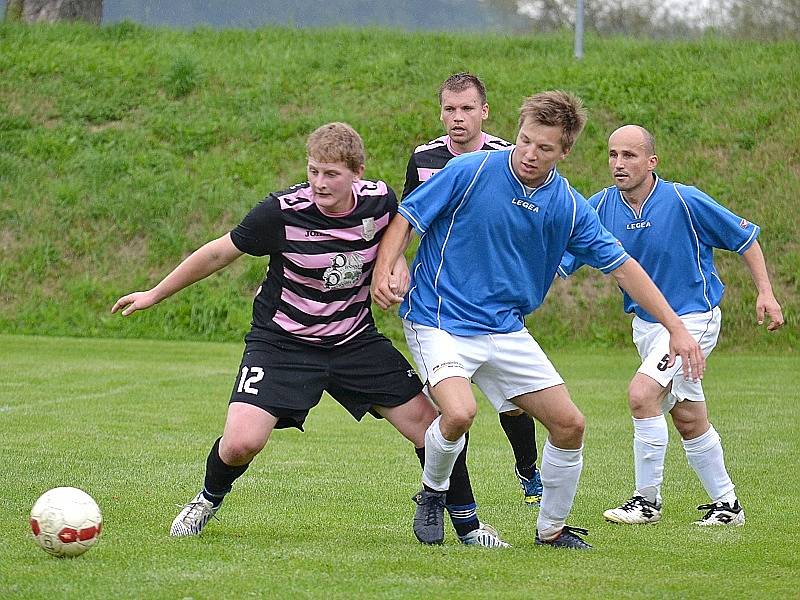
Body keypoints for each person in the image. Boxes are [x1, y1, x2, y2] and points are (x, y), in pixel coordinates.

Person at [111, 122, 508, 548]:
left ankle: (469, 527)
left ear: (357, 172)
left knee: (433, 426)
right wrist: (155, 293)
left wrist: (394, 270)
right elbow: (219, 252)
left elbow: (396, 240)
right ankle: (207, 499)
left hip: (353, 340)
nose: (319, 183)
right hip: (282, 342)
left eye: (331, 174)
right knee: (241, 443)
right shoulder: (280, 212)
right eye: (314, 171)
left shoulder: (379, 201)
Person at [371, 92, 705, 550]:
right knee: (460, 411)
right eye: (525, 141)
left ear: (564, 151)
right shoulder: (471, 172)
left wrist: (676, 326)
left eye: (544, 148)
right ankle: (432, 493)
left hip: (505, 328)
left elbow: (623, 266)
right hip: (439, 318)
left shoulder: (567, 205)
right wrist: (384, 269)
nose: (530, 154)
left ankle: (551, 530)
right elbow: (406, 217)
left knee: (570, 425)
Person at [558, 124, 784, 526]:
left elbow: (745, 238)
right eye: (612, 155)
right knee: (688, 417)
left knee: (642, 395)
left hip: (693, 319)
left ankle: (646, 502)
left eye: (629, 155)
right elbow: (563, 258)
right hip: (647, 327)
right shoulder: (601, 206)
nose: (619, 164)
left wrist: (765, 293)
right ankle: (728, 506)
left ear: (651, 161)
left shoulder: (684, 199)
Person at [402, 72, 542, 507]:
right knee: (451, 408)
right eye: (449, 109)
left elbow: (526, 220)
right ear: (440, 111)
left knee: (514, 403)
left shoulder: (507, 156)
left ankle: (527, 469)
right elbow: (407, 218)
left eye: (467, 109)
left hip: (493, 303)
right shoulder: (423, 159)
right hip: (439, 302)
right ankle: (444, 495)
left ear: (485, 111)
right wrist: (393, 267)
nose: (457, 118)